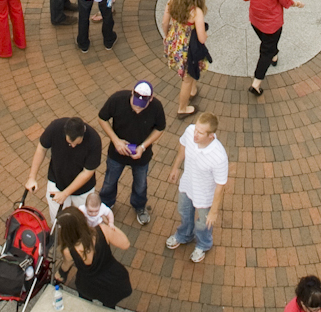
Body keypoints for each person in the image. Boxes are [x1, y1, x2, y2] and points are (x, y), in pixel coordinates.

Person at [97, 80, 164, 227]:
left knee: (141, 184)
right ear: (132, 93)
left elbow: (160, 128)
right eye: (135, 104)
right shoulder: (117, 99)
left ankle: (139, 206)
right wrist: (116, 140)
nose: (138, 109)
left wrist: (143, 147)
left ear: (151, 99)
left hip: (141, 156)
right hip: (117, 153)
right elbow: (102, 118)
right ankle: (106, 204)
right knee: (109, 181)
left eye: (142, 106)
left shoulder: (156, 107)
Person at [166, 112, 227, 264]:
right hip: (187, 185)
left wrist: (213, 211)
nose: (195, 134)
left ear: (211, 135)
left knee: (203, 224)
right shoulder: (189, 132)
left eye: (200, 133)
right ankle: (184, 235)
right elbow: (183, 147)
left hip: (205, 196)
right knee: (184, 212)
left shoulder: (219, 156)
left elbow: (220, 186)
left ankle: (203, 244)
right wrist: (175, 167)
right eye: (196, 129)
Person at [51, 204, 132, 310]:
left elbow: (66, 266)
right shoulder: (102, 231)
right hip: (112, 280)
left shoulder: (68, 251)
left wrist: (59, 274)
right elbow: (126, 244)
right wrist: (110, 224)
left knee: (86, 304)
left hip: (88, 285)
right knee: (109, 306)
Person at [26, 116, 101, 225]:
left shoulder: (94, 140)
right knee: (58, 221)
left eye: (76, 143)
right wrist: (32, 178)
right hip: (57, 182)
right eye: (69, 143)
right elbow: (41, 148)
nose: (72, 146)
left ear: (83, 134)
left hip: (83, 189)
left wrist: (65, 193)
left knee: (85, 221)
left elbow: (87, 172)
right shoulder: (55, 127)